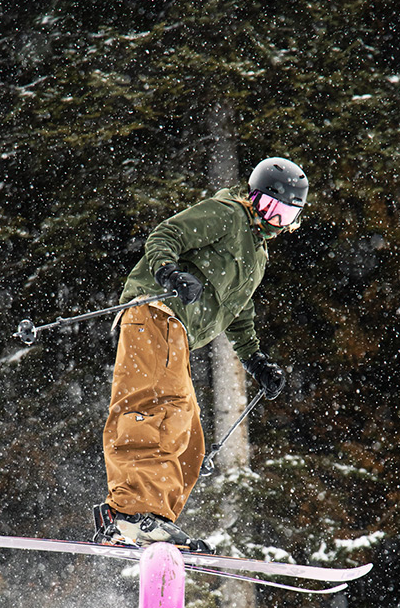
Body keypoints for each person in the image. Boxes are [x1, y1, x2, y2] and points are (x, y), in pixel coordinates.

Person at [92, 157, 308, 551]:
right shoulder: (228, 214)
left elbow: (239, 312)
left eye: (286, 214)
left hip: (178, 334)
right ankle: (132, 513)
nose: (275, 220)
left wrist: (255, 359)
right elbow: (167, 235)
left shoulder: (256, 255)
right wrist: (169, 272)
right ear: (254, 197)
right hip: (154, 313)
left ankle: (151, 520)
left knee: (190, 438)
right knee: (157, 409)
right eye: (270, 207)